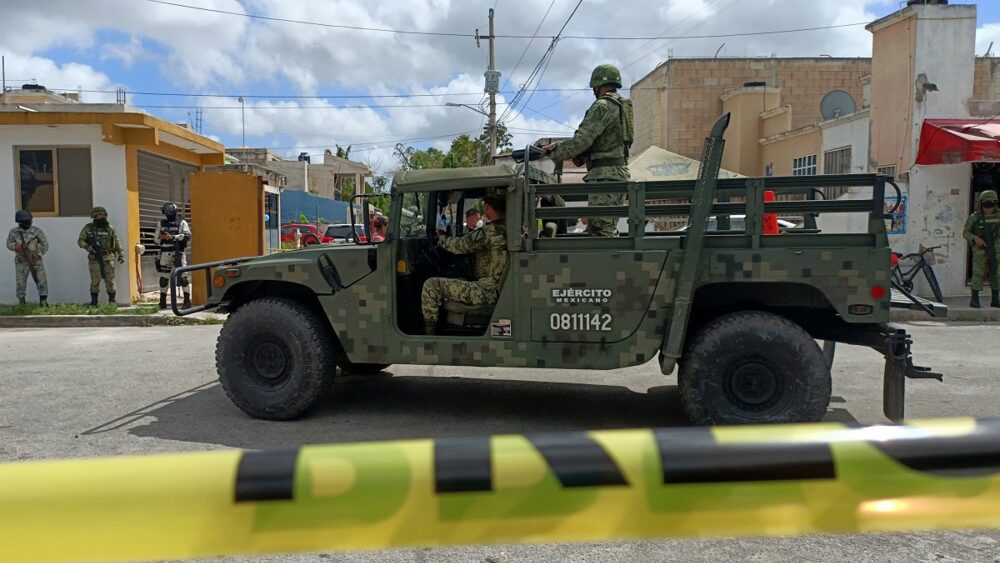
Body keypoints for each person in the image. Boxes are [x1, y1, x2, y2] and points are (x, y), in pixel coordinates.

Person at [541, 63, 632, 238]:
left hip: (605, 177)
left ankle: (610, 265)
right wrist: (585, 156)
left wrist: (551, 151)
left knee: (601, 231)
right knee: (603, 228)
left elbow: (581, 141)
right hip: (616, 175)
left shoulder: (602, 106)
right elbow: (608, 142)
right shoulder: (622, 106)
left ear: (597, 86)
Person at [421, 195, 508, 335]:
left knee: (431, 286)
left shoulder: (491, 231)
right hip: (496, 288)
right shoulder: (507, 228)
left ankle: (428, 336)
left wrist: (441, 239)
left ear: (487, 207)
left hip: (488, 291)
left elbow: (460, 245)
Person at [78, 206, 123, 306]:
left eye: (104, 216)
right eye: (100, 216)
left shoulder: (110, 228)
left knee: (110, 281)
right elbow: (80, 241)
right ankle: (94, 302)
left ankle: (112, 301)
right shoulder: (88, 228)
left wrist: (121, 254)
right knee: (95, 281)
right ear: (94, 217)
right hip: (95, 258)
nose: (102, 218)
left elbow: (117, 242)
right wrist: (89, 247)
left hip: (108, 258)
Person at [963, 189, 1000, 308]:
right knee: (978, 274)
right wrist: (975, 238)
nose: (987, 208)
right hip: (980, 250)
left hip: (995, 250)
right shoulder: (975, 217)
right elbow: (965, 233)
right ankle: (974, 299)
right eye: (985, 205)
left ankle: (995, 299)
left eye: (990, 205)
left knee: (996, 274)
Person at [6, 209, 48, 305]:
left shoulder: (37, 231)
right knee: (21, 282)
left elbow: (45, 245)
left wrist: (37, 255)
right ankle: (22, 302)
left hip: (36, 261)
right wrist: (16, 247)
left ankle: (43, 301)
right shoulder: (14, 232)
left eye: (28, 220)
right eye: (25, 221)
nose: (28, 222)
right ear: (19, 222)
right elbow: (8, 244)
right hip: (22, 260)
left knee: (41, 281)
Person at [156, 202, 192, 309]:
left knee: (183, 277)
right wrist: (163, 237)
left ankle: (186, 301)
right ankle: (162, 302)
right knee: (164, 278)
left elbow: (187, 236)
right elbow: (156, 239)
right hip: (165, 253)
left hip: (178, 253)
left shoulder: (182, 223)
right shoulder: (161, 223)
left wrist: (172, 237)